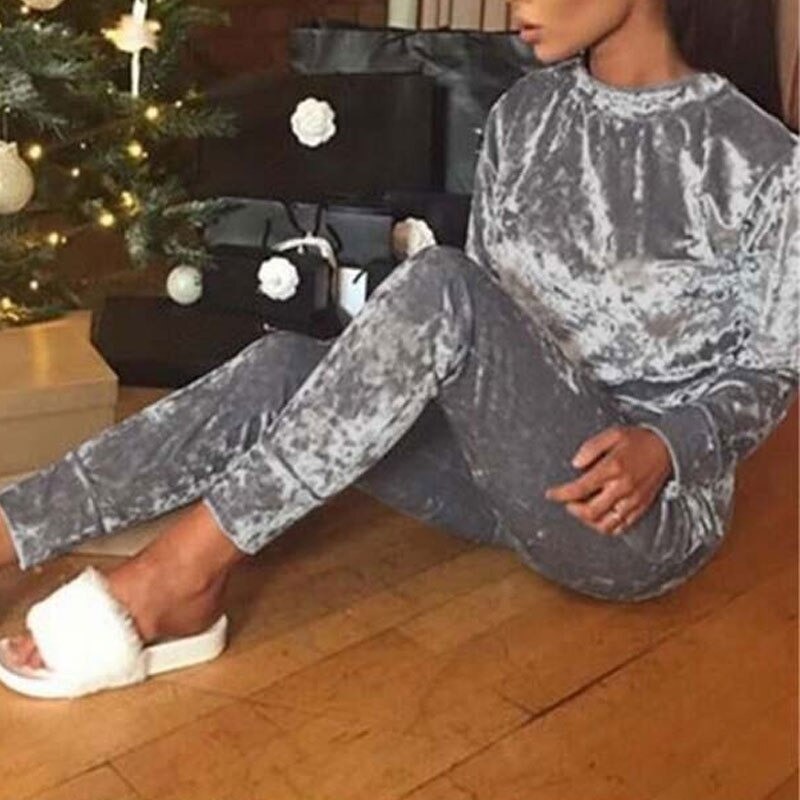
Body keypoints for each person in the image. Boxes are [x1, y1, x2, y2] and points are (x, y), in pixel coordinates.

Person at [0, 0, 797, 677]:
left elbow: (773, 368)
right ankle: (10, 530)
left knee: (443, 282)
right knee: (284, 363)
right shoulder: (524, 114)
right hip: (495, 478)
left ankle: (179, 575)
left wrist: (668, 445)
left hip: (631, 515)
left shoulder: (762, 161)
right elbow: (491, 329)